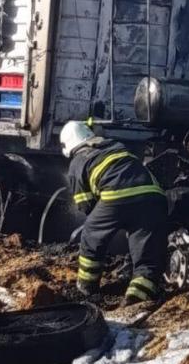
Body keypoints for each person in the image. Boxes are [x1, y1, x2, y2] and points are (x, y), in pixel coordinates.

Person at [60, 120, 169, 305]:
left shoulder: (78, 161)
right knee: (147, 249)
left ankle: (87, 287)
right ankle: (139, 296)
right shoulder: (115, 146)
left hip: (116, 195)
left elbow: (86, 205)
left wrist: (106, 220)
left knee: (91, 235)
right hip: (153, 197)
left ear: (69, 146)